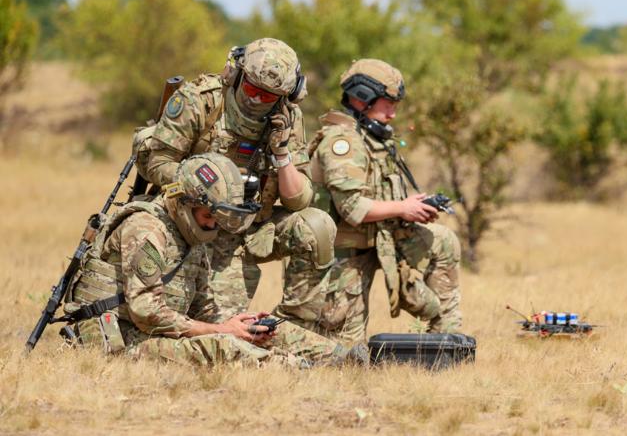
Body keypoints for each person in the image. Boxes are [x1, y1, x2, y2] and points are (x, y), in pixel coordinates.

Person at [62, 153, 350, 366]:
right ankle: (294, 369)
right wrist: (223, 330)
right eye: (209, 216)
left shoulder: (193, 235)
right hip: (120, 338)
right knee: (224, 349)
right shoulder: (146, 228)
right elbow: (146, 312)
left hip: (156, 332)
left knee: (263, 331)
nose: (214, 225)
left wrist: (239, 323)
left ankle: (344, 359)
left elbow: (203, 306)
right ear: (186, 203)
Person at [142, 38, 336, 323]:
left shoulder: (287, 118)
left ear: (286, 95)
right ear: (236, 74)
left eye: (268, 96)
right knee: (220, 325)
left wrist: (281, 153)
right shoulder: (201, 99)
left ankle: (293, 325)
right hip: (196, 223)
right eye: (252, 88)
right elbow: (157, 163)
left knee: (316, 225)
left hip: (250, 226)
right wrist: (204, 189)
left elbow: (299, 199)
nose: (257, 99)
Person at [279, 59, 463, 344]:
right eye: (387, 103)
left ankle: (447, 344)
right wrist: (403, 208)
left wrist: (409, 204)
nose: (393, 113)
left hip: (377, 241)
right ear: (361, 98)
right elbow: (352, 209)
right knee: (342, 350)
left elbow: (376, 194)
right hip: (340, 256)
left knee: (443, 241)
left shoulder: (372, 138)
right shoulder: (344, 142)